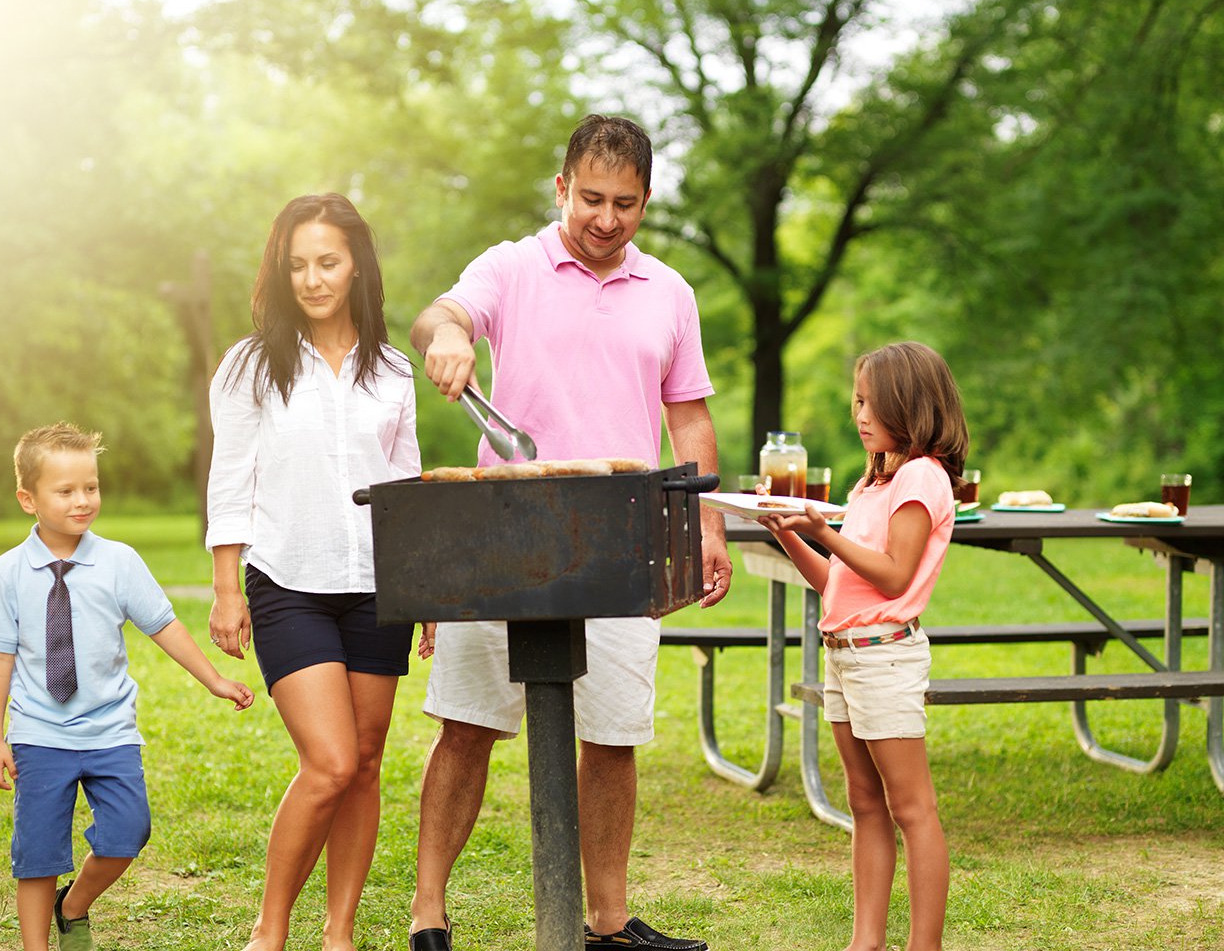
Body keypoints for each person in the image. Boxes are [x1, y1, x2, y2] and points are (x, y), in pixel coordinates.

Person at [407, 114, 731, 951]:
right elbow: (440, 316)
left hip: (623, 534)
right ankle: (428, 912)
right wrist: (448, 340)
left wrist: (707, 520)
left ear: (646, 202)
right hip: (505, 528)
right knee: (469, 723)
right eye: (591, 198)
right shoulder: (511, 267)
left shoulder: (670, 293)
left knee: (613, 732)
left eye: (626, 203)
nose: (606, 218)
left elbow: (688, 418)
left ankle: (608, 922)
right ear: (561, 188)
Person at [206, 192, 431, 951]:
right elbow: (230, 481)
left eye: (327, 262)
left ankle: (339, 935)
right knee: (330, 761)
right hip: (288, 581)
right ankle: (270, 931)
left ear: (356, 266)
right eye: (297, 264)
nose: (311, 278)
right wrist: (226, 589)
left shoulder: (393, 369)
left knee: (365, 764)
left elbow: (406, 489)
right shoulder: (249, 365)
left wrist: (423, 585)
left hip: (377, 586)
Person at [0, 422, 254, 951]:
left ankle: (74, 904)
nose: (83, 501)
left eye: (91, 487)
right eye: (65, 491)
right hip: (40, 733)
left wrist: (215, 680)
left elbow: (165, 627)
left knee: (128, 834)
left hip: (111, 732)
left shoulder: (119, 562)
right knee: (38, 852)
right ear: (27, 499)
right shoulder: (6, 573)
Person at [756, 341, 968, 951]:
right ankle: (864, 942)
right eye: (856, 401)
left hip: (885, 657)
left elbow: (895, 576)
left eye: (871, 402)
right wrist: (790, 537)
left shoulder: (922, 477)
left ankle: (921, 946)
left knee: (911, 809)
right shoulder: (874, 483)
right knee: (865, 804)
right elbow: (838, 585)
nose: (859, 414)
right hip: (846, 653)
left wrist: (825, 529)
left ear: (910, 404)